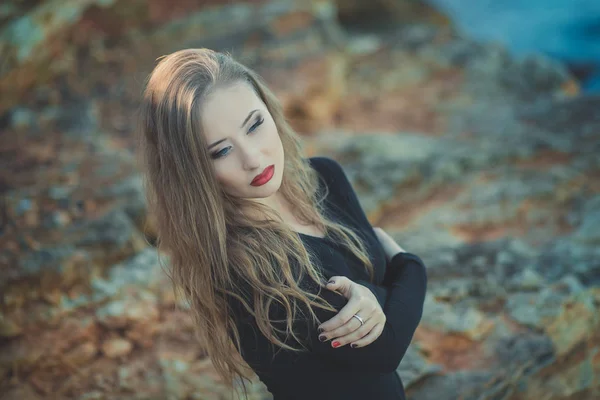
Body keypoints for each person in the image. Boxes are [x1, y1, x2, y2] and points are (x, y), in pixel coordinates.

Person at [137, 48, 428, 400]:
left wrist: (375, 298)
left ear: (270, 110)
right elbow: (385, 348)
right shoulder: (244, 266)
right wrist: (410, 266)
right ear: (191, 169)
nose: (254, 158)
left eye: (255, 125)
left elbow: (379, 303)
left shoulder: (324, 177)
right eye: (221, 151)